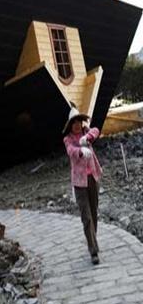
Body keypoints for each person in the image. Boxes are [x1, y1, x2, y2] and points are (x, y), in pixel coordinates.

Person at [63, 106, 102, 265]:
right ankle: (93, 250)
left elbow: (96, 130)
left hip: (92, 178)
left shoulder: (86, 131)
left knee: (93, 213)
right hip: (79, 183)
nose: (77, 125)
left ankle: (93, 240)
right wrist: (80, 151)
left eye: (79, 121)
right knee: (86, 217)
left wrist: (88, 139)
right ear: (70, 125)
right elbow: (71, 151)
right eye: (74, 122)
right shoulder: (68, 139)